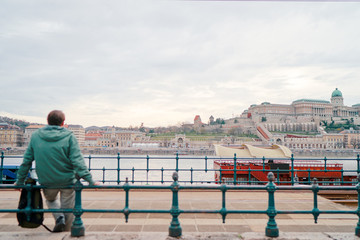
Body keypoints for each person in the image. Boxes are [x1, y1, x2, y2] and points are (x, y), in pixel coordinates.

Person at [16, 110, 99, 232]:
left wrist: (20, 181)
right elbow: (78, 161)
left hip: (47, 180)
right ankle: (66, 231)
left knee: (51, 200)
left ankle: (59, 217)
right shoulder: (69, 136)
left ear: (47, 121)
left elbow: (26, 161)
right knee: (68, 207)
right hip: (67, 179)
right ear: (63, 122)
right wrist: (90, 180)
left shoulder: (36, 136)